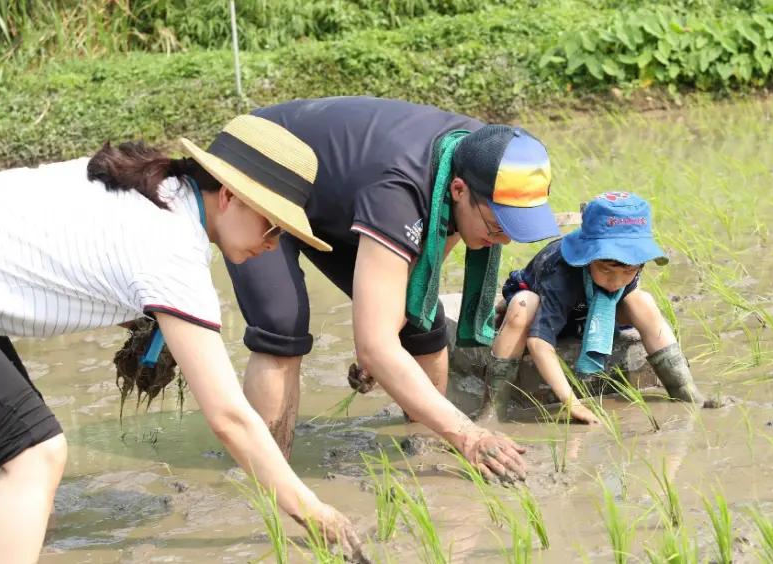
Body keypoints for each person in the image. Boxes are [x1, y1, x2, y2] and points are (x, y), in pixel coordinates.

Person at [0, 115, 366, 562]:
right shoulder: (172, 250)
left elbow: (71, 262)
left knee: (21, 477)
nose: (274, 244)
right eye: (274, 227)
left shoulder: (157, 189)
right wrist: (313, 511)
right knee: (36, 456)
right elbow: (229, 418)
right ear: (229, 196)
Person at [222, 96, 562, 483]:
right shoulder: (400, 191)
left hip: (340, 189)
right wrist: (468, 433)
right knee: (281, 325)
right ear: (458, 190)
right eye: (497, 226)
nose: (501, 239)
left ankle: (424, 452)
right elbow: (376, 343)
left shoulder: (483, 153)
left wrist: (381, 341)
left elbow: (422, 273)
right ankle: (266, 476)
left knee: (422, 321)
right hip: (262, 165)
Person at [477, 192, 707, 424]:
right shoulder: (560, 273)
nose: (616, 282)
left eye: (628, 272)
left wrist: (620, 279)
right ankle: (492, 411)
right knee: (522, 305)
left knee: (643, 301)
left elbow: (624, 287)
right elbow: (538, 342)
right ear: (587, 257)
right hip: (545, 308)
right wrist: (572, 404)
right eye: (606, 270)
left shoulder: (629, 268)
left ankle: (686, 392)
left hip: (588, 310)